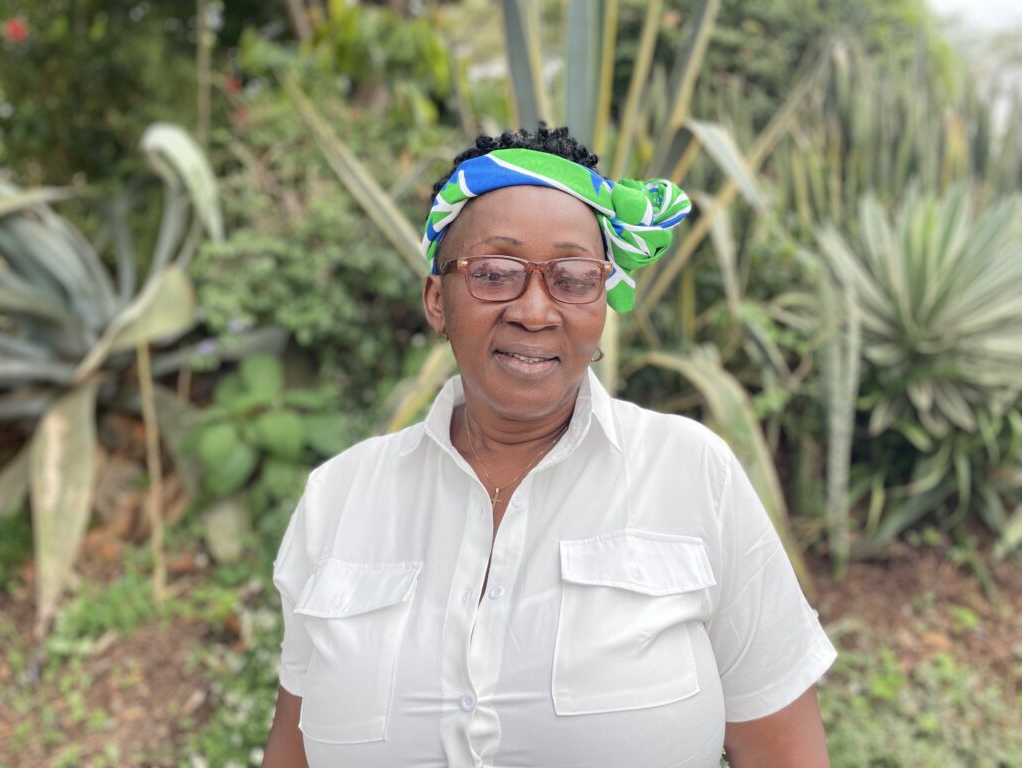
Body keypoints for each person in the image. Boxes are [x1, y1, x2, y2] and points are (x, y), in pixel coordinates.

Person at [262, 126, 836, 768]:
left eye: (572, 278)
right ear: (436, 299)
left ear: (603, 301)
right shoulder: (340, 499)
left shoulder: (692, 474)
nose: (535, 311)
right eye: (496, 273)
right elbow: (293, 751)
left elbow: (784, 752)